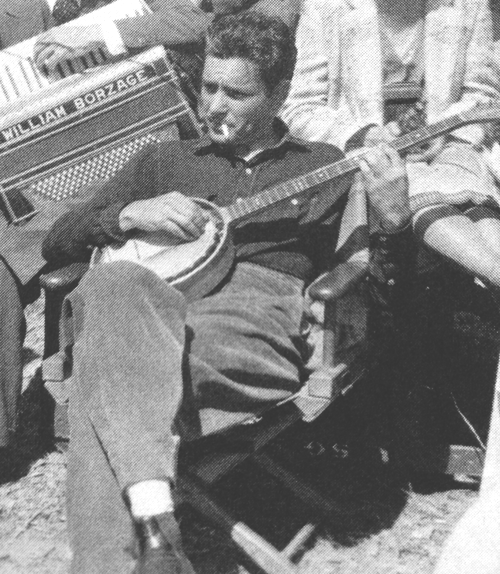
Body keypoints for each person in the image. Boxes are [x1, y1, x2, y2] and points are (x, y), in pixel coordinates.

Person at [42, 12, 410, 573]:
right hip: (142, 305)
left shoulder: (324, 167)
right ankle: (157, 523)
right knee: (114, 282)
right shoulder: (163, 161)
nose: (214, 105)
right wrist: (128, 213)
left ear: (279, 93)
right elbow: (58, 240)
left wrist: (394, 223)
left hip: (252, 315)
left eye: (235, 93)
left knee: (104, 369)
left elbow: (374, 297)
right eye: (207, 87)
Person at [281, 0, 500, 289]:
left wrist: (445, 133)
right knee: (408, 181)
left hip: (451, 145)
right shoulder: (325, 6)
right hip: (372, 158)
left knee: (474, 198)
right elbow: (298, 107)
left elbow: (482, 94)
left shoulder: (467, 4)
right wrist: (366, 133)